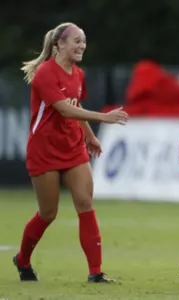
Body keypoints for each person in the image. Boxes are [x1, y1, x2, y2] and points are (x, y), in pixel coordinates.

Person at [14, 22, 128, 283]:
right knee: (48, 213)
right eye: (77, 40)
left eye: (84, 41)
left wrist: (89, 136)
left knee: (85, 204)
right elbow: (64, 109)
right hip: (45, 151)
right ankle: (22, 259)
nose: (82, 46)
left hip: (73, 147)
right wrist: (104, 118)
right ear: (59, 44)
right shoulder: (45, 73)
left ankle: (95, 272)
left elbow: (77, 106)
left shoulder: (78, 73)